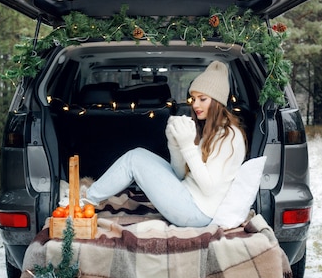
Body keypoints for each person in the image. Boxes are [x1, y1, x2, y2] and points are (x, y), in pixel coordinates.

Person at [83, 60, 246, 227]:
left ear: (217, 101)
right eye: (194, 99)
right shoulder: (212, 130)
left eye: (202, 99)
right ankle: (88, 197)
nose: (195, 104)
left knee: (133, 160)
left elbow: (209, 188)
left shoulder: (230, 136)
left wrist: (187, 146)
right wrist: (175, 144)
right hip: (188, 198)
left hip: (197, 212)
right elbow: (180, 175)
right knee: (137, 153)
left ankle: (85, 200)